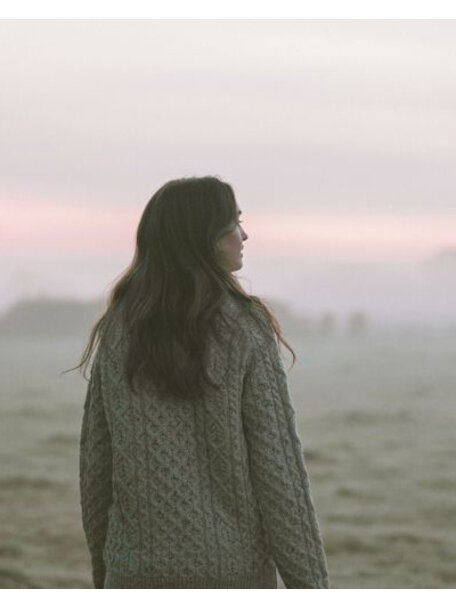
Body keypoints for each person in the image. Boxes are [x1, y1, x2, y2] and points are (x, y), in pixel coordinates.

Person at [74, 175, 330, 588]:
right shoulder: (245, 329)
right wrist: (312, 589)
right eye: (233, 224)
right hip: (232, 579)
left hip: (134, 576)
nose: (244, 235)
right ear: (203, 236)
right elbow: (278, 474)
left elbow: (96, 466)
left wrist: (106, 573)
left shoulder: (120, 328)